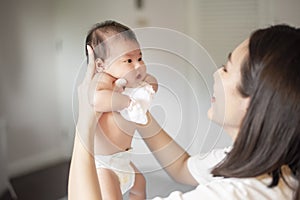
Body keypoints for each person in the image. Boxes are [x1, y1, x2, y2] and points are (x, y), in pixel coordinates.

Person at [68, 24, 300, 200]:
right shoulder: (273, 170)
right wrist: (137, 106)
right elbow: (182, 167)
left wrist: (84, 125)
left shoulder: (233, 194)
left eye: (227, 68)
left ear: (253, 101)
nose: (216, 73)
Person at [80, 20, 158, 200]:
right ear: (100, 65)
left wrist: (146, 84)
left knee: (140, 185)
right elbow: (96, 100)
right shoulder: (103, 80)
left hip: (123, 159)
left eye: (140, 58)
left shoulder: (133, 82)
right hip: (104, 166)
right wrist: (122, 101)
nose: (138, 65)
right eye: (128, 60)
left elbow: (153, 82)